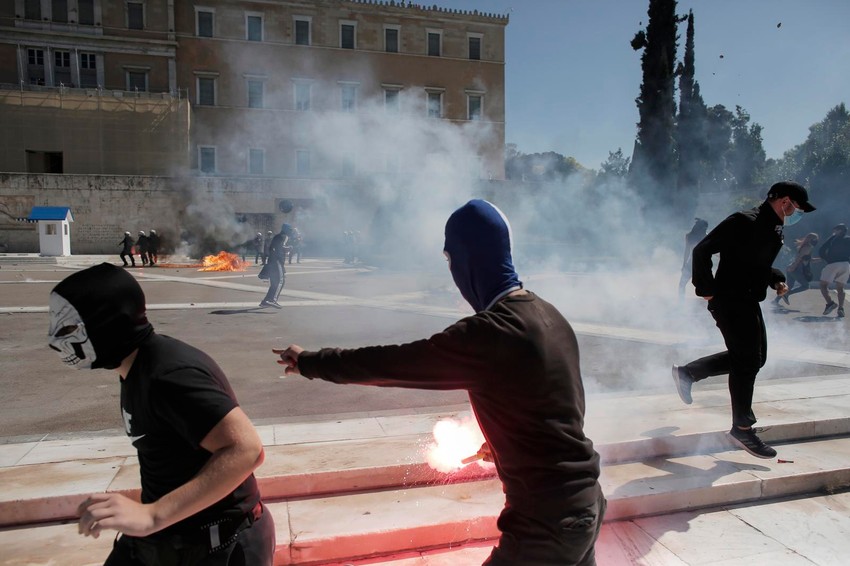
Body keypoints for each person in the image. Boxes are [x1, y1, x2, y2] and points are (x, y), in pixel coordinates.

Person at [274, 200, 605, 565]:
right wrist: (503, 445)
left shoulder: (491, 332)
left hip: (546, 524)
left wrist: (310, 361)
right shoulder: (549, 315)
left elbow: (392, 364)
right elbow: (562, 411)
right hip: (587, 505)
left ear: (467, 258)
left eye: (451, 261)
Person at [47, 264, 275, 565]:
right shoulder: (138, 366)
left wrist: (153, 515)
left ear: (106, 324)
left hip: (219, 545)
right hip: (169, 539)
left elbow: (246, 449)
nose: (53, 341)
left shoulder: (168, 375)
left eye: (68, 329)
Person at [673, 181, 816, 459]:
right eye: (797, 207)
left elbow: (755, 264)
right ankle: (742, 428)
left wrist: (776, 279)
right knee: (748, 359)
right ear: (785, 201)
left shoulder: (774, 228)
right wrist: (707, 290)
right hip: (728, 299)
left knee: (754, 358)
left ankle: (688, 372)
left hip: (747, 299)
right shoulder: (743, 220)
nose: (798, 213)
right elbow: (702, 250)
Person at [773, 232, 819, 307]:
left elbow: (808, 259)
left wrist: (821, 260)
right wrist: (793, 267)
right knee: (806, 286)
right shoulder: (808, 247)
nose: (816, 241)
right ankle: (787, 294)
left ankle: (776, 300)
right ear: (811, 239)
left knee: (789, 286)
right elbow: (799, 258)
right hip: (796, 268)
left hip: (793, 267)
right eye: (815, 239)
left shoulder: (806, 246)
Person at [818, 223, 850, 318]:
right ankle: (841, 308)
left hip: (833, 264)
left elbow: (822, 250)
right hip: (846, 265)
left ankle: (830, 303)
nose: (834, 232)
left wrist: (827, 259)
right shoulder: (849, 239)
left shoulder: (833, 239)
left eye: (835, 230)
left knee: (823, 285)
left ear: (839, 230)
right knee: (840, 288)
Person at [260, 223, 290, 309]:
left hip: (274, 261)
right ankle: (272, 300)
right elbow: (280, 248)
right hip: (277, 261)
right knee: (280, 281)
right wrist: (289, 248)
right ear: (286, 230)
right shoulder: (283, 237)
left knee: (275, 283)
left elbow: (274, 248)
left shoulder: (278, 236)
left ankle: (265, 301)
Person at [678, 218, 709, 299]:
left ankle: (709, 305)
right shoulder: (690, 237)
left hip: (701, 265)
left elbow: (711, 249)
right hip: (693, 265)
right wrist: (684, 265)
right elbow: (687, 252)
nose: (705, 229)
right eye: (704, 228)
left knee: (706, 287)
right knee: (682, 285)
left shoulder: (706, 236)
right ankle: (680, 304)